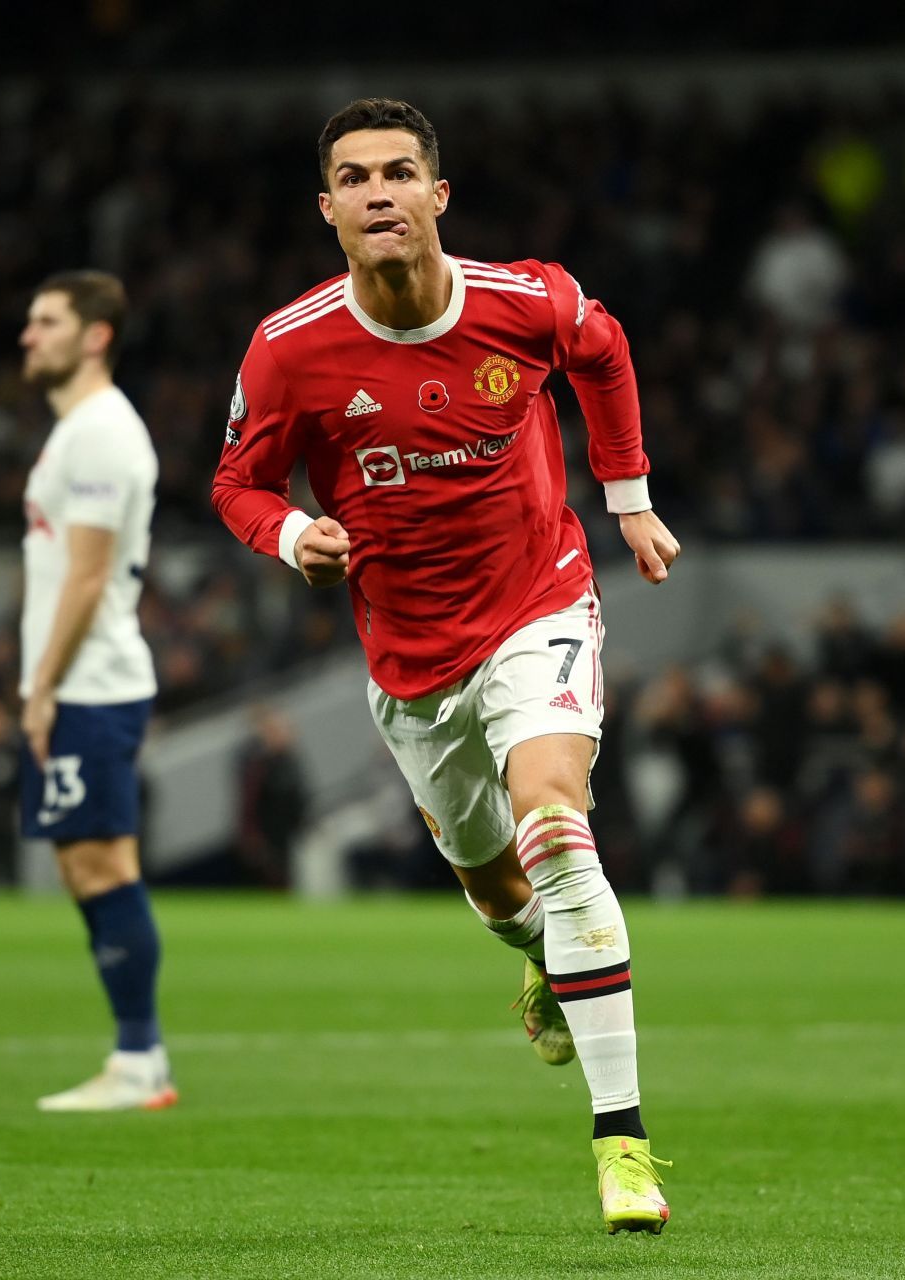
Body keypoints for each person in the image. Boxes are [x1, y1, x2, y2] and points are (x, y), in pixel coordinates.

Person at [211, 99, 683, 1234]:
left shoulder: (525, 300)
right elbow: (237, 484)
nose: (380, 192)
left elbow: (606, 352)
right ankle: (537, 956)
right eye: (356, 178)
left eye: (400, 172)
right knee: (496, 884)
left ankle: (622, 1143)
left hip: (538, 599)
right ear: (328, 211)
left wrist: (628, 500)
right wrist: (290, 537)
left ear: (438, 196)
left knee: (556, 824)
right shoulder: (290, 347)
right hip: (409, 655)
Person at [17, 271, 173, 1112]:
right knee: (83, 865)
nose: (28, 336)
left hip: (92, 681)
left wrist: (42, 688)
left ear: (95, 335)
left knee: (102, 861)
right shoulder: (76, 431)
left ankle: (140, 1059)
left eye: (46, 322)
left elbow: (85, 579)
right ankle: (135, 1055)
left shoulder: (104, 434)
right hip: (76, 681)